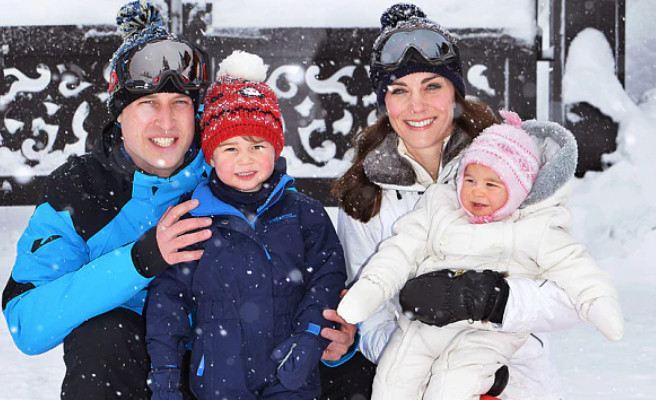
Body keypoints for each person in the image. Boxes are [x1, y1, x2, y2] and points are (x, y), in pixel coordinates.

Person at [0, 2, 353, 399]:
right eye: (148, 103)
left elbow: (305, 266)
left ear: (197, 111)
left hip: (235, 363)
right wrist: (139, 261)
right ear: (119, 113)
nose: (166, 122)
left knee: (349, 369)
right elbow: (26, 325)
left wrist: (337, 339)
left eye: (179, 103)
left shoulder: (231, 166)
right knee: (102, 336)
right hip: (142, 370)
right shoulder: (82, 189)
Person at [331, 4, 586, 400]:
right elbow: (373, 320)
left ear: (455, 92)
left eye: (432, 86)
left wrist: (489, 300)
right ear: (384, 102)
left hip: (512, 379)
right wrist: (423, 351)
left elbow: (568, 296)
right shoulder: (367, 194)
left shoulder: (509, 165)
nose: (416, 106)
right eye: (399, 91)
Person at [337, 110, 625, 399]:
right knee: (393, 378)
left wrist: (596, 300)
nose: (477, 192)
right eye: (470, 180)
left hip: (488, 335)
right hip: (427, 324)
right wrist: (373, 287)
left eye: (491, 184)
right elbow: (400, 249)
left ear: (517, 189)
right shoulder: (441, 208)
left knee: (452, 384)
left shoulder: (534, 227)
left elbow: (574, 266)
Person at [144, 50, 347, 400]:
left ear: (276, 148)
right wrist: (165, 371)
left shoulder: (304, 214)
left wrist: (310, 336)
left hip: (290, 377)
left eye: (257, 146)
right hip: (218, 381)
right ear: (211, 155)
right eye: (230, 149)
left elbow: (327, 278)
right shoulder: (192, 217)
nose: (245, 160)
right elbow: (168, 300)